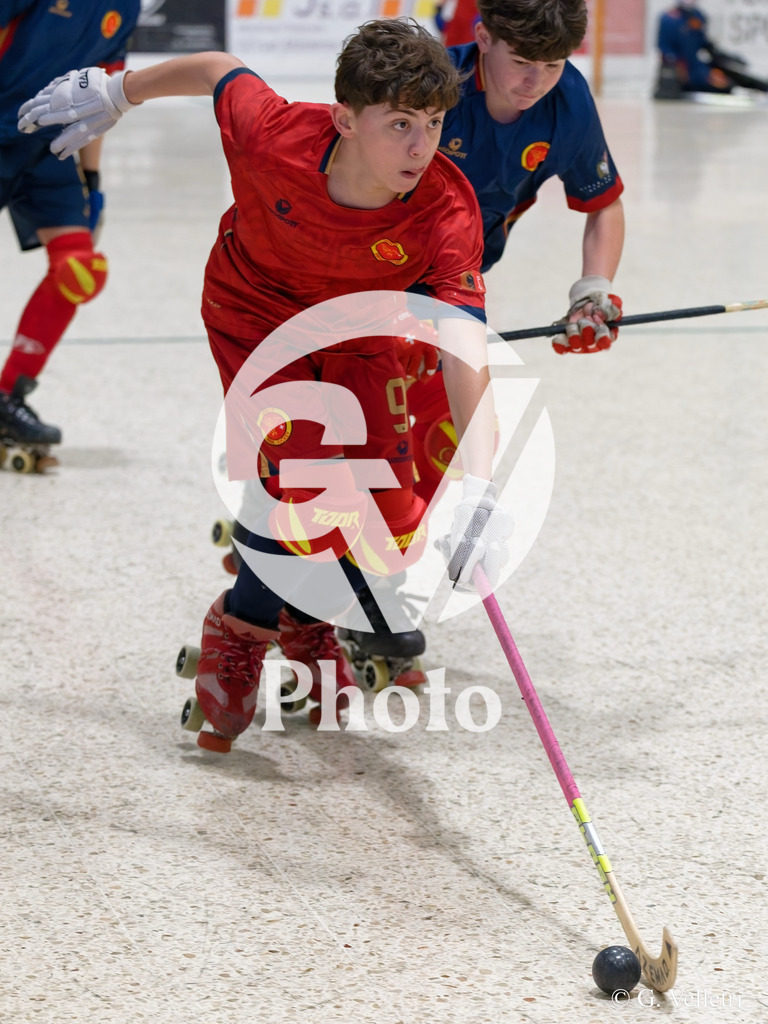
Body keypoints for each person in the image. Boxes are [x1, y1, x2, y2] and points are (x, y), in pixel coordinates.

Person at [19, 19, 511, 750]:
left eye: (434, 124)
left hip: (361, 329)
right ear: (346, 118)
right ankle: (243, 627)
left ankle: (307, 618)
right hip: (256, 316)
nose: (420, 146)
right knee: (308, 475)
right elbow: (221, 68)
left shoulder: (446, 210)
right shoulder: (272, 134)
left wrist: (480, 486)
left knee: (386, 501)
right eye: (400, 123)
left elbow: (465, 350)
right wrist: (120, 91)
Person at [340, 0, 625, 667]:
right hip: (369, 268)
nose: (534, 82)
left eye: (552, 65)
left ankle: (381, 563)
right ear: (482, 39)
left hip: (455, 281)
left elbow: (603, 205)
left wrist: (594, 288)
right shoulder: (435, 92)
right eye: (520, 62)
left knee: (445, 441)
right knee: (377, 431)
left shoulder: (569, 105)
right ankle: (349, 584)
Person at [0, 0, 140, 468]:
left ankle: (8, 398)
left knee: (79, 270)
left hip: (51, 147)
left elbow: (101, 98)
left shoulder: (129, 7)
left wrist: (92, 182)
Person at [654, 2, 768, 99]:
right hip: (685, 71)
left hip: (699, 67)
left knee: (737, 77)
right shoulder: (669, 18)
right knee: (726, 85)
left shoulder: (697, 16)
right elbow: (666, 49)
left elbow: (704, 44)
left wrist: (724, 58)